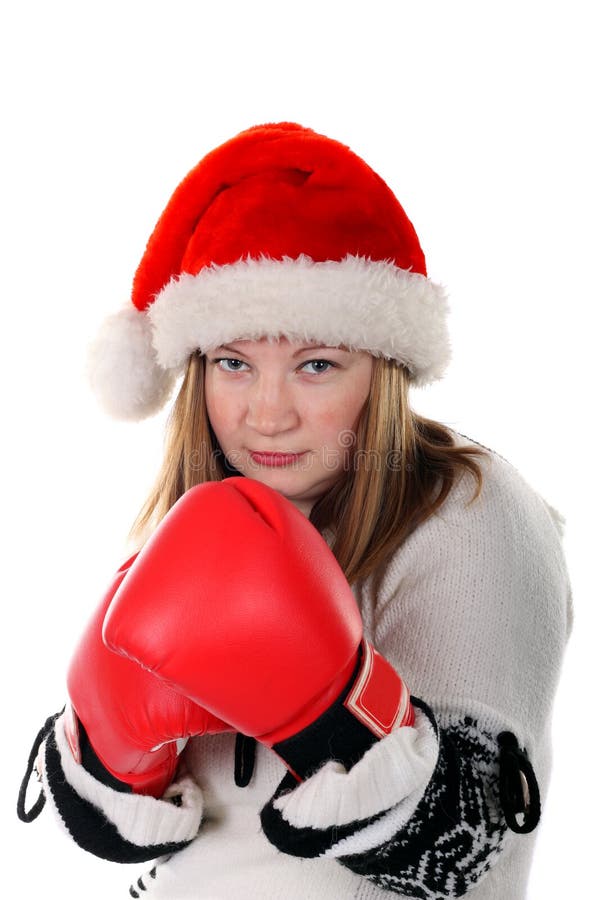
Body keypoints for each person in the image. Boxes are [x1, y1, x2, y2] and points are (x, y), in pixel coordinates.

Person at [18, 122, 572, 899]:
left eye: (316, 365)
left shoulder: (468, 507)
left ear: (381, 369)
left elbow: (477, 840)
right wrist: (110, 751)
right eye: (234, 363)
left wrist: (334, 714)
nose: (267, 415)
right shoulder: (205, 524)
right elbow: (132, 837)